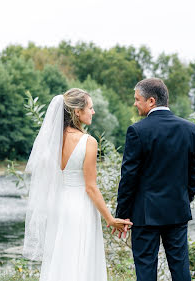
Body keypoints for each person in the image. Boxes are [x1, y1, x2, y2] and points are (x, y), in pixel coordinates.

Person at [23, 88, 132, 281]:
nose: (93, 112)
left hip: (57, 206)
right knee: (81, 259)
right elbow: (90, 187)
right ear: (77, 112)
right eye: (90, 107)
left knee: (60, 259)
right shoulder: (88, 142)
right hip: (80, 207)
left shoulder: (51, 141)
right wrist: (109, 218)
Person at [114, 78, 195, 281]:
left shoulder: (137, 131)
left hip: (145, 215)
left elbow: (128, 177)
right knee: (180, 269)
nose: (135, 103)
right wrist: (183, 197)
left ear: (151, 101)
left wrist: (123, 214)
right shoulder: (190, 129)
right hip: (177, 210)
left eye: (138, 99)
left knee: (145, 270)